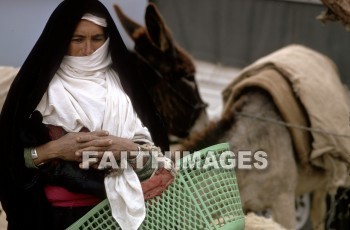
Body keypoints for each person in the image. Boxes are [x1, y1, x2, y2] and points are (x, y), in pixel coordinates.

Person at [0, 0, 169, 229]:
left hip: (117, 219)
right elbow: (8, 160)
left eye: (97, 39)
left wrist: (129, 148)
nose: (88, 49)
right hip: (52, 220)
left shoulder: (125, 87)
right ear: (61, 39)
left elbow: (157, 162)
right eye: (77, 39)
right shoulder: (36, 90)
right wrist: (55, 150)